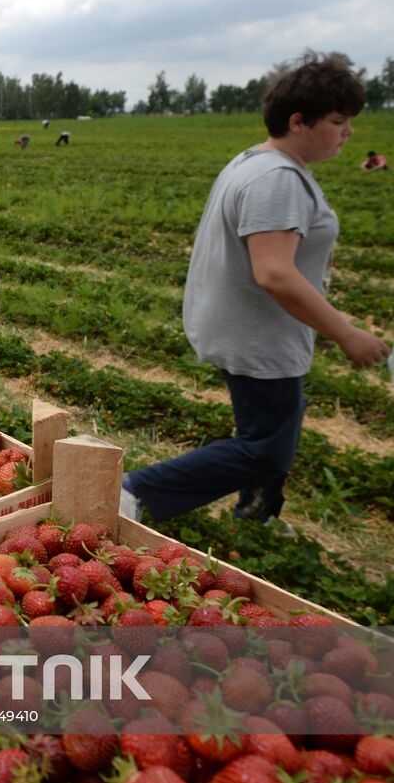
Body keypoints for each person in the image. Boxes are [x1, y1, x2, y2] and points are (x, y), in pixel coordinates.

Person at [121, 52, 389, 525]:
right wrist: (346, 333)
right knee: (266, 450)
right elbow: (275, 273)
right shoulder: (276, 179)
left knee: (272, 430)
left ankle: (256, 515)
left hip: (250, 330)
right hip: (259, 337)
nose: (348, 133)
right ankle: (132, 493)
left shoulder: (255, 162)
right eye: (338, 120)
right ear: (298, 121)